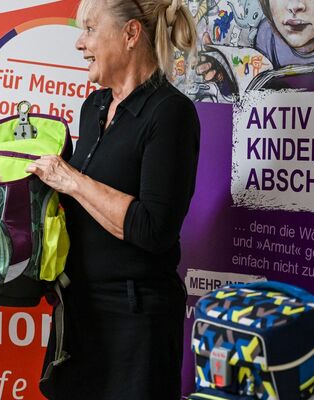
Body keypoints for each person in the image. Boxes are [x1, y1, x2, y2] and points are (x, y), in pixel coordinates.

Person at [26, 0, 200, 398]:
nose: (80, 43)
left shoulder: (170, 112)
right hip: (78, 313)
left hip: (136, 324)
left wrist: (71, 180)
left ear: (131, 34)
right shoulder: (94, 107)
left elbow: (153, 229)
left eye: (90, 29)